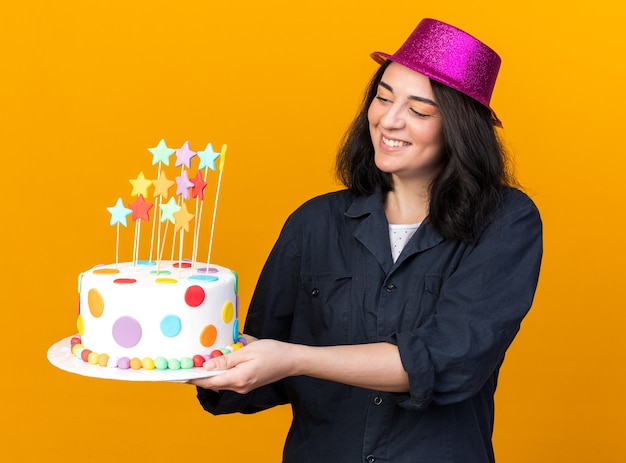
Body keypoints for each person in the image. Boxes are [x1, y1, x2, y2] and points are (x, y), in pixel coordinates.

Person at [191, 18, 543, 463]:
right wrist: (203, 361)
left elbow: (448, 359)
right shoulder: (313, 222)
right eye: (383, 97)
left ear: (460, 128)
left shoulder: (506, 221)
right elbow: (262, 359)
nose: (388, 120)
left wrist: (294, 358)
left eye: (419, 110)